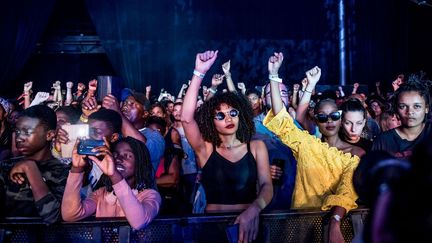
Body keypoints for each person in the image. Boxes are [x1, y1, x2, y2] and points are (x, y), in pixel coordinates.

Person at [264, 52, 359, 243]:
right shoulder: (307, 145)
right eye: (323, 117)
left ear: (341, 118)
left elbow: (346, 192)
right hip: (302, 227)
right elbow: (282, 120)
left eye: (334, 115)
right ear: (316, 120)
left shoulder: (355, 153)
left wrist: (334, 222)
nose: (329, 121)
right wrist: (274, 75)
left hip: (337, 229)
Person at [181, 50, 273, 243]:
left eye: (233, 112)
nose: (228, 118)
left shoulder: (256, 147)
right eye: (220, 116)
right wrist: (198, 72)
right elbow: (186, 119)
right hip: (212, 228)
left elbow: (266, 186)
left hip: (249, 226)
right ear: (211, 122)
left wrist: (254, 209)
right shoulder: (206, 149)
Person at [62, 136, 161, 230]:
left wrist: (114, 175)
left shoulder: (150, 195)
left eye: (127, 155)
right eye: (115, 155)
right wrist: (77, 169)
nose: (118, 159)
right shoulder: (101, 194)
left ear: (140, 162)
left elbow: (138, 222)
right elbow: (70, 215)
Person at [0, 105, 68, 224]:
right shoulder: (7, 168)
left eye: (27, 132)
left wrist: (30, 168)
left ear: (49, 135)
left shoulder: (63, 172)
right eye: (17, 131)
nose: (19, 138)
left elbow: (53, 218)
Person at [372, 77, 432, 159]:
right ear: (396, 109)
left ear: (426, 108)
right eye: (403, 106)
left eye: (417, 106)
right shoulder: (383, 141)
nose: (410, 111)